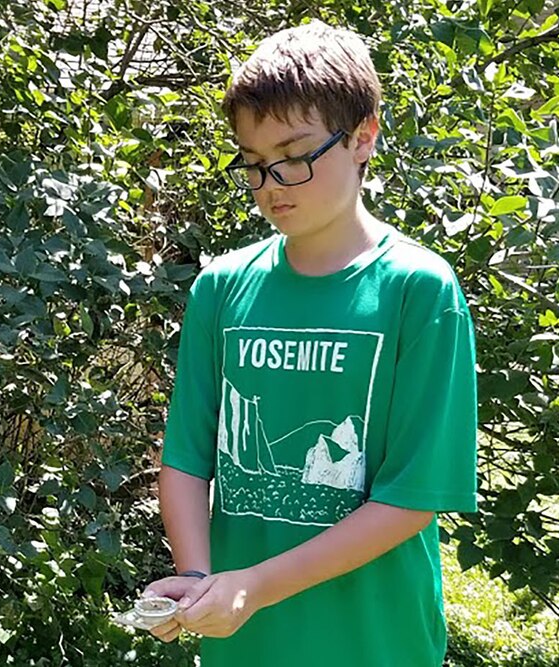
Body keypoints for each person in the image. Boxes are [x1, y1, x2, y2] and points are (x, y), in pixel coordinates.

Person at [141, 20, 479, 667]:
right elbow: (185, 459)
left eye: (294, 156)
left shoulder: (418, 291)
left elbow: (410, 499)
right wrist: (199, 579)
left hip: (378, 646)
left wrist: (253, 586)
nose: (271, 183)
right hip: (244, 650)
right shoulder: (221, 288)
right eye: (254, 161)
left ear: (362, 137)